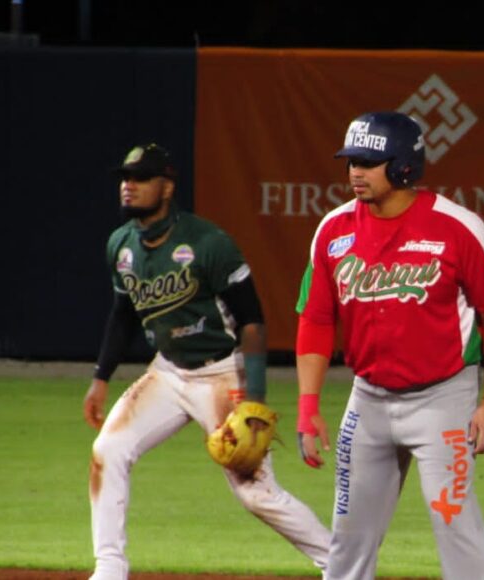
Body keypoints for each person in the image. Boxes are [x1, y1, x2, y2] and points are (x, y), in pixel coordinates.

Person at [83, 143, 331, 580]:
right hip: (168, 373)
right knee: (108, 449)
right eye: (125, 178)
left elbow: (253, 322)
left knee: (256, 493)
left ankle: (342, 565)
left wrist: (254, 400)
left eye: (140, 178)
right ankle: (110, 568)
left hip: (223, 374)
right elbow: (122, 315)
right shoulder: (120, 246)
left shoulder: (209, 244)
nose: (128, 186)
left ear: (167, 187)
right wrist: (100, 377)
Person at [294, 111, 484, 580]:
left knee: (455, 522)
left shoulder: (458, 227)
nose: (355, 172)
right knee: (348, 537)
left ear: (403, 166)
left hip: (444, 399)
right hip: (368, 399)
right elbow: (315, 319)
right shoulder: (334, 229)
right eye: (351, 161)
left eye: (367, 161)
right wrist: (308, 405)